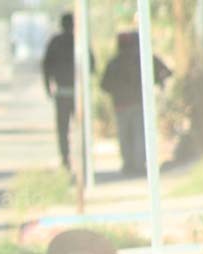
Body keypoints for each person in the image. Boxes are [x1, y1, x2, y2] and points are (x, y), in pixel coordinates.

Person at [101, 31, 171, 175]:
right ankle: (139, 165)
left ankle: (129, 165)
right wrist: (156, 81)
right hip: (139, 103)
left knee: (125, 136)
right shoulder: (144, 59)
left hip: (122, 105)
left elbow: (104, 85)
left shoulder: (115, 63)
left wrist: (118, 91)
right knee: (140, 134)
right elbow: (166, 72)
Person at [42, 13, 94, 170]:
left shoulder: (55, 42)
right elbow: (92, 65)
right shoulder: (79, 42)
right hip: (77, 94)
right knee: (81, 128)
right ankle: (82, 159)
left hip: (63, 93)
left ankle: (66, 159)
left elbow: (46, 67)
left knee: (63, 129)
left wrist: (48, 88)